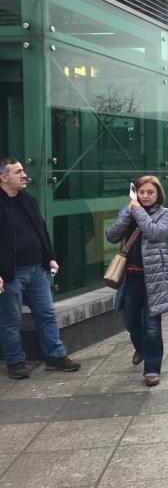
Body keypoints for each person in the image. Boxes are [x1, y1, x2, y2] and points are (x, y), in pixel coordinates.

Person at [0, 158, 81, 379]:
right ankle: (15, 362)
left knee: (46, 313)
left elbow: (41, 230)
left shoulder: (28, 200)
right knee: (10, 320)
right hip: (10, 274)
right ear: (4, 177)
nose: (24, 175)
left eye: (23, 171)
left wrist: (50, 257)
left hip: (37, 269)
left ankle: (55, 357)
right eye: (18, 172)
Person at [106, 175, 168, 387]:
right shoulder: (128, 211)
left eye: (150, 192)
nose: (145, 196)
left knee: (152, 325)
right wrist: (129, 213)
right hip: (130, 277)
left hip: (154, 278)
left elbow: (155, 233)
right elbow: (111, 235)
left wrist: (137, 211)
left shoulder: (165, 214)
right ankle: (142, 348)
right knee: (130, 321)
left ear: (158, 194)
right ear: (135, 193)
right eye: (142, 192)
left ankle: (152, 368)